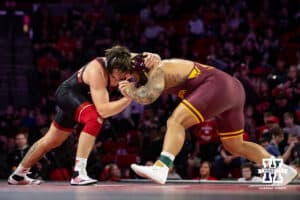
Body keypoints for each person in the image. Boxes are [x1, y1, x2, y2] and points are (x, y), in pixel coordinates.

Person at [119, 56, 297, 186]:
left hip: (218, 85)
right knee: (235, 145)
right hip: (232, 90)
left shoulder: (160, 68)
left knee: (176, 121)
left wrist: (129, 91)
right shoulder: (149, 67)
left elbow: (147, 96)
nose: (131, 81)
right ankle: (279, 169)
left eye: (133, 77)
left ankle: (161, 167)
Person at [8, 46, 156, 186]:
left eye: (122, 75)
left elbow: (155, 61)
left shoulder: (128, 59)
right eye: (116, 75)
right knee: (95, 118)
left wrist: (155, 57)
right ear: (111, 67)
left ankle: (18, 174)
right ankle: (79, 173)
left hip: (81, 100)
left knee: (52, 140)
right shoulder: (97, 71)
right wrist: (128, 98)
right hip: (68, 95)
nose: (119, 79)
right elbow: (104, 110)